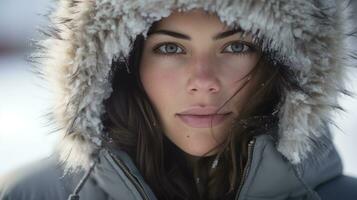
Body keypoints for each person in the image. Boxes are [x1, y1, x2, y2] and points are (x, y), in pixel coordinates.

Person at [1, 0, 357, 199]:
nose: (203, 82)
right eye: (170, 48)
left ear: (285, 65)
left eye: (236, 46)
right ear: (121, 66)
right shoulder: (31, 195)